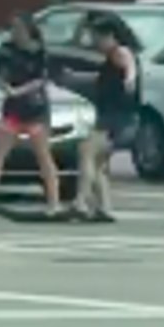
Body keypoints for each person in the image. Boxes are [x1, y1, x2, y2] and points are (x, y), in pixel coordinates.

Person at [0, 12, 63, 216]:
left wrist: (19, 91)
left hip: (35, 108)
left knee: (43, 155)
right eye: (13, 29)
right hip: (13, 109)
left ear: (28, 30)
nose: (15, 33)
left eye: (19, 29)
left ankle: (54, 203)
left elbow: (41, 80)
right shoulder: (7, 49)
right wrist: (4, 87)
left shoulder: (40, 52)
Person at [65, 13, 140, 223]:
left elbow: (129, 65)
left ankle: (81, 201)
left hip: (115, 118)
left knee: (86, 151)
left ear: (110, 36)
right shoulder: (111, 58)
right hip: (117, 117)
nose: (95, 43)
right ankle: (105, 207)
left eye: (98, 37)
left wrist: (130, 79)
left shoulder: (120, 52)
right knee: (98, 164)